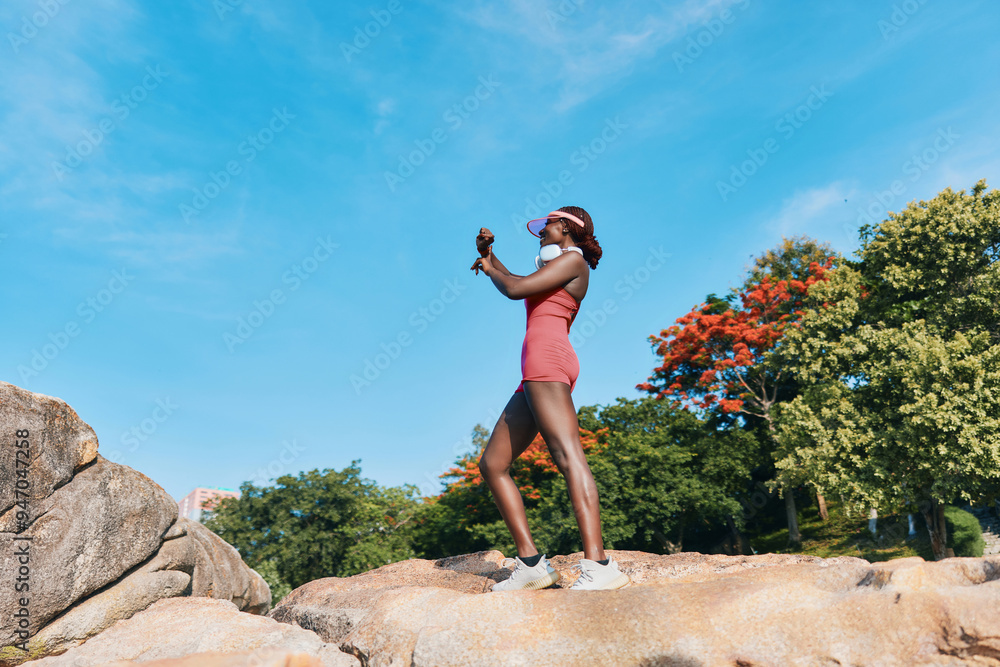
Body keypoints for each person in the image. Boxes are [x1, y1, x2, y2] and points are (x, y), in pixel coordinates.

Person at [470, 206, 630, 591]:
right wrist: (489, 256)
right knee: (492, 464)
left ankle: (600, 564)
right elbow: (517, 280)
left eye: (548, 225)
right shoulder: (555, 268)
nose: (541, 231)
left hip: (549, 361)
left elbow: (514, 288)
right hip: (534, 370)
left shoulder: (574, 261)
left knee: (567, 455)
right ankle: (531, 566)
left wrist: (493, 268)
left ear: (568, 227)